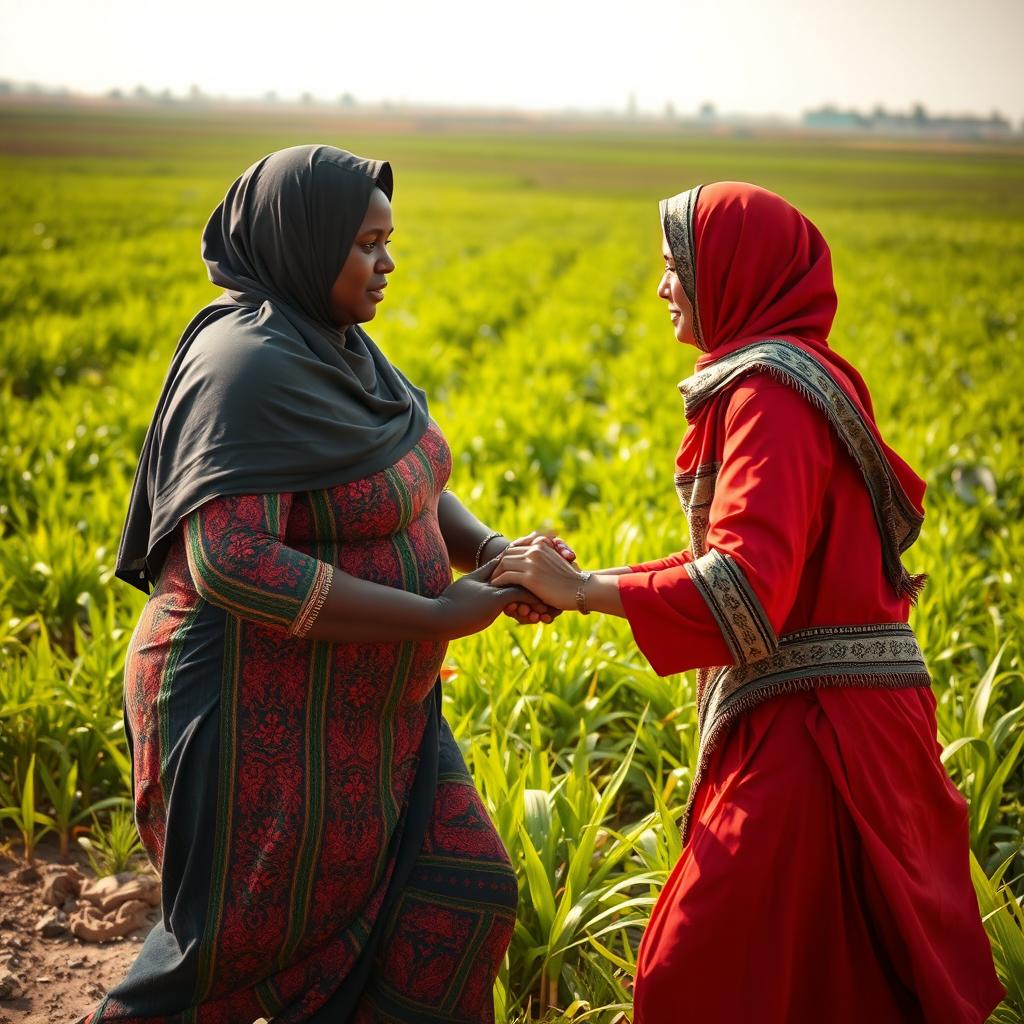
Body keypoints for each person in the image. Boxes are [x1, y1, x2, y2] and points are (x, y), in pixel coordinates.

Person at [491, 181, 1003, 1023]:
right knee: (831, 980)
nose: (661, 288)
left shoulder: (770, 393)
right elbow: (750, 563)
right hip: (831, 722)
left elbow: (743, 587)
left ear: (730, 272)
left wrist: (584, 591)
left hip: (817, 743)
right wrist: (586, 586)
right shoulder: (789, 377)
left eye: (672, 267)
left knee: (698, 971)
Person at [80, 145, 569, 1024]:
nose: (387, 264)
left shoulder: (342, 349)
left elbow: (409, 479)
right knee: (234, 958)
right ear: (305, 245)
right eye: (366, 245)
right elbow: (234, 558)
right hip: (251, 714)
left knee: (463, 894)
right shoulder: (246, 370)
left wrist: (493, 552)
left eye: (388, 240)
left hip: (366, 719)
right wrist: (433, 617)